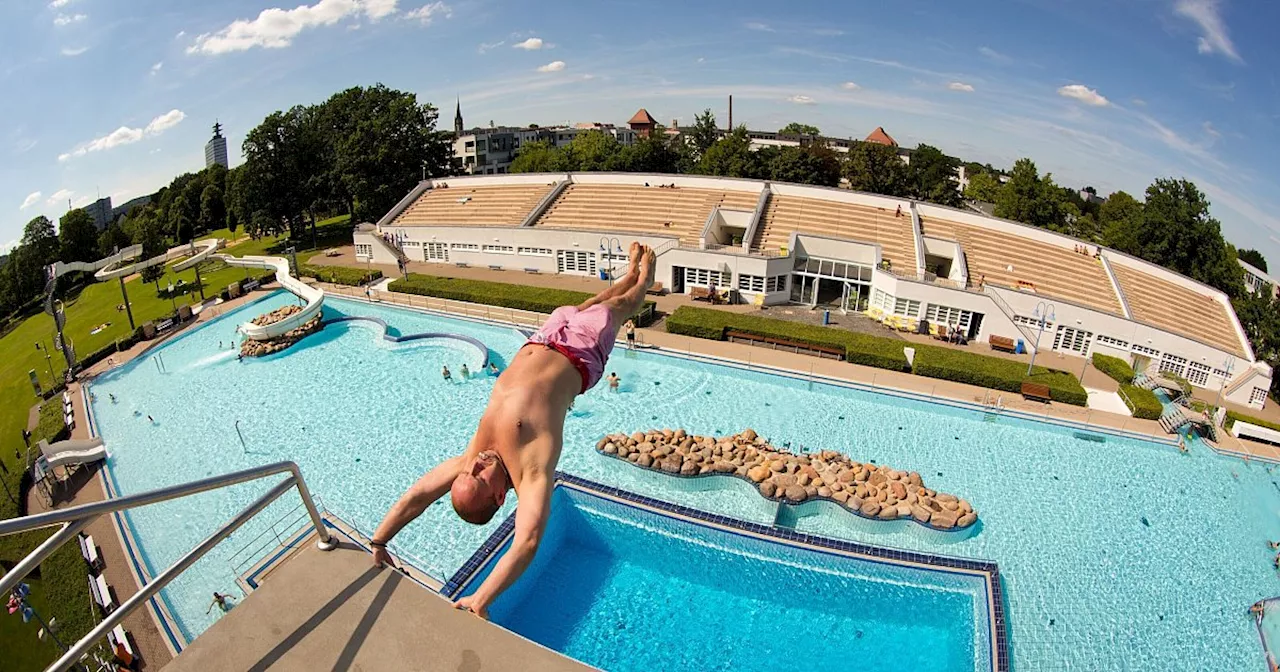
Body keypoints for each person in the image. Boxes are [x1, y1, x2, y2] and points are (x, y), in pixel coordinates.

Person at [370, 243, 657, 619]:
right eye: (479, 476)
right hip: (579, 356)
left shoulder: (472, 462)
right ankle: (644, 279)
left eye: (467, 471)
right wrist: (482, 597)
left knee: (590, 303)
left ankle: (629, 272)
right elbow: (528, 540)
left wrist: (379, 539)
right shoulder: (530, 472)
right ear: (501, 496)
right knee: (617, 308)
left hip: (541, 341)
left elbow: (418, 495)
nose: (473, 465)